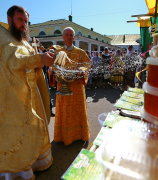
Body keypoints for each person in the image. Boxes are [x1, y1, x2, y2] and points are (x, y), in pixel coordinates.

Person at [0, 5, 54, 180]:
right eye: (20, 20)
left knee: (34, 126)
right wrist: (40, 59)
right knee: (18, 132)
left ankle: (37, 162)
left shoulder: (22, 39)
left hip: (31, 92)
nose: (24, 24)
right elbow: (14, 60)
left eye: (26, 21)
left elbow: (28, 59)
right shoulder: (4, 39)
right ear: (10, 19)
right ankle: (19, 172)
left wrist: (42, 60)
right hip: (13, 98)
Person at [53, 27, 90, 146]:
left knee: (76, 111)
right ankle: (63, 136)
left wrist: (81, 70)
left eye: (71, 35)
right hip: (63, 86)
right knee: (64, 110)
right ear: (63, 37)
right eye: (66, 35)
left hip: (76, 88)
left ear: (74, 37)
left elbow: (87, 65)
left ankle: (79, 135)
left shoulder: (81, 52)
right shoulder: (58, 52)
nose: (69, 37)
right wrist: (54, 71)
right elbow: (54, 67)